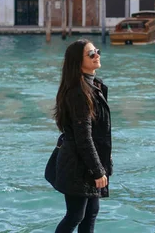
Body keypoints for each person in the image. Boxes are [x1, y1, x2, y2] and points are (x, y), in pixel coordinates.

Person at [51, 39, 112, 233]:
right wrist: (97, 170)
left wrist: (102, 164)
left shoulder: (95, 86)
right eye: (91, 54)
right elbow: (83, 136)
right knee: (76, 215)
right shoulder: (79, 92)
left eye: (97, 51)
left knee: (91, 212)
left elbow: (99, 132)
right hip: (77, 164)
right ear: (78, 62)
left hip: (87, 160)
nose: (97, 56)